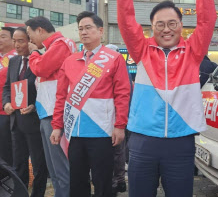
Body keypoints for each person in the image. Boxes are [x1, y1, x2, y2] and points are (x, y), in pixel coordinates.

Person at [117, 0, 217, 197]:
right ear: (152, 28)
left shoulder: (192, 52)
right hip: (142, 141)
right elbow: (127, 21)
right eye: (159, 24)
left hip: (180, 141)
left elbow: (207, 21)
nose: (166, 29)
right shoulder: (141, 50)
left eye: (172, 23)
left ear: (181, 26)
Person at [50, 12, 131, 197]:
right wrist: (57, 126)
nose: (84, 32)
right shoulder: (70, 61)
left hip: (102, 131)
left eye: (88, 28)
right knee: (77, 181)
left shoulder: (114, 58)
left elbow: (122, 94)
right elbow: (61, 96)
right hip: (75, 133)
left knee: (103, 181)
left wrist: (119, 126)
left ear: (100, 31)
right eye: (80, 29)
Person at [25, 16, 76, 197]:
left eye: (30, 35)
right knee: (53, 168)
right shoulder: (52, 47)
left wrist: (34, 53)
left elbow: (41, 69)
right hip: (46, 111)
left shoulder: (61, 44)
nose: (30, 40)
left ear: (40, 30)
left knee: (60, 166)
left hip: (55, 113)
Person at [3, 27, 48, 197]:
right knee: (19, 165)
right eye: (14, 41)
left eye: (20, 41)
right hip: (16, 122)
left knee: (38, 166)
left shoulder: (42, 60)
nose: (16, 45)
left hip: (35, 122)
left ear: (31, 41)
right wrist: (6, 102)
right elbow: (7, 87)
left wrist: (35, 106)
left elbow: (48, 91)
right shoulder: (14, 61)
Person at [105, 44, 132, 196]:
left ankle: (118, 182)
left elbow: (124, 94)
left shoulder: (119, 67)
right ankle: (117, 181)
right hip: (116, 116)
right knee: (117, 151)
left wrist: (121, 120)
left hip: (118, 117)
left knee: (117, 150)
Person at [0, 27, 16, 166]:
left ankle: (9, 182)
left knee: (6, 150)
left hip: (6, 112)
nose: (0, 39)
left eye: (3, 36)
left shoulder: (15, 58)